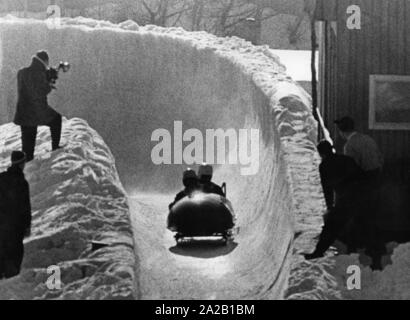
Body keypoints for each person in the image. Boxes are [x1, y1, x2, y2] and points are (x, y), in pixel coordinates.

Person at [334, 116, 384, 269]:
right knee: (371, 214)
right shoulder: (368, 139)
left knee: (356, 216)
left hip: (363, 183)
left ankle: (354, 251)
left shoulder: (350, 145)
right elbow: (380, 158)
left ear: (342, 132)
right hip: (376, 179)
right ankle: (375, 249)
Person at [305, 140, 363, 260]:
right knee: (353, 224)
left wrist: (330, 206)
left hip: (345, 198)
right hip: (361, 195)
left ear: (321, 154)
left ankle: (319, 251)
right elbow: (360, 174)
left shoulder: (324, 166)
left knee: (331, 226)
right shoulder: (347, 159)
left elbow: (327, 189)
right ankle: (352, 250)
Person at [14, 50, 63, 162]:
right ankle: (55, 147)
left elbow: (30, 83)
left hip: (23, 113)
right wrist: (49, 84)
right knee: (56, 120)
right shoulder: (39, 74)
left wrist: (46, 77)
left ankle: (20, 171)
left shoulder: (22, 72)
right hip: (37, 112)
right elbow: (39, 92)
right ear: (44, 61)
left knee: (27, 149)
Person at [0, 151, 32, 279]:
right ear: (22, 164)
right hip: (15, 225)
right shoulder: (21, 183)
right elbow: (25, 206)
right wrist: (27, 225)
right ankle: (11, 277)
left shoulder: (1, 177)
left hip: (1, 223)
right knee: (15, 252)